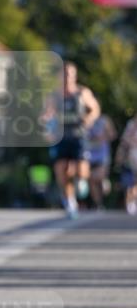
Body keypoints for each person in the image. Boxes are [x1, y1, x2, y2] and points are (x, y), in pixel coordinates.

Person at [47, 62, 100, 218]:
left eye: (70, 74)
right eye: (64, 74)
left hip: (79, 136)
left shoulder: (82, 93)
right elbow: (46, 114)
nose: (67, 77)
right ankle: (70, 201)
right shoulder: (54, 95)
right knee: (62, 170)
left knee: (81, 171)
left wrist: (88, 119)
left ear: (74, 76)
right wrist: (46, 126)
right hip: (62, 136)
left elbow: (95, 109)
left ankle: (81, 182)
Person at [85, 110, 117, 210]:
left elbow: (113, 135)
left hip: (102, 154)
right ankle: (98, 203)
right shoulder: (85, 119)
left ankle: (104, 184)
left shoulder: (104, 120)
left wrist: (103, 137)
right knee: (91, 180)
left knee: (99, 177)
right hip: (89, 154)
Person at [115, 115, 137, 216]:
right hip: (131, 157)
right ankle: (130, 203)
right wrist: (120, 156)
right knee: (130, 183)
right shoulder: (131, 125)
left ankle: (132, 202)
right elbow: (124, 142)